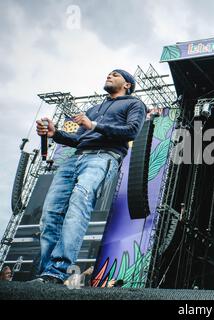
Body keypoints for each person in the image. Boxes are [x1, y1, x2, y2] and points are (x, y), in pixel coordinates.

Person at [33, 69, 146, 284]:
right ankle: (46, 274)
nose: (109, 76)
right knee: (50, 213)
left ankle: (58, 271)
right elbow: (78, 139)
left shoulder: (134, 104)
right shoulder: (93, 108)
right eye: (108, 74)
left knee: (79, 204)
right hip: (75, 158)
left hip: (103, 157)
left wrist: (93, 125)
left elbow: (131, 131)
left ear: (128, 84)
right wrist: (55, 134)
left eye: (115, 74)